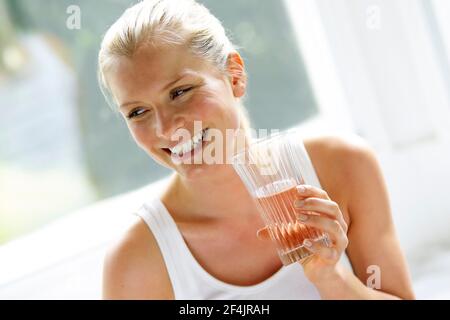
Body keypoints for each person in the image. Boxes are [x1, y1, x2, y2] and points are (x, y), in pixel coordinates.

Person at [98, 0, 415, 299]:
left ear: (234, 76)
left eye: (180, 91)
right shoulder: (136, 260)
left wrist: (333, 280)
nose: (166, 128)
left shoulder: (342, 165)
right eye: (137, 112)